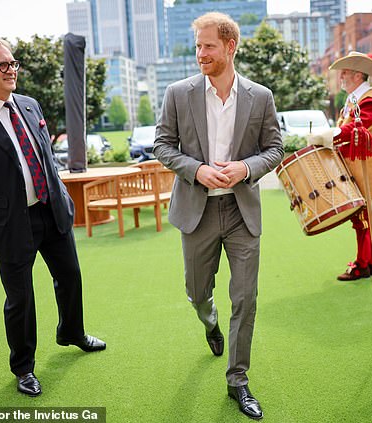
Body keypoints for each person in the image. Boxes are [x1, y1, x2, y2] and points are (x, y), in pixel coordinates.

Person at [0, 36, 106, 397]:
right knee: (21, 299)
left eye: (13, 63)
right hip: (9, 226)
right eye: (2, 65)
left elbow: (45, 159)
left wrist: (62, 198)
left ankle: (72, 332)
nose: (11, 70)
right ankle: (24, 368)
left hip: (52, 212)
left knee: (71, 276)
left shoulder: (30, 106)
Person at [153, 12, 283, 420]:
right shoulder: (178, 93)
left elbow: (275, 148)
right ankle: (209, 321)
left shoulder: (260, 96)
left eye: (208, 46)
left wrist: (245, 169)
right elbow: (162, 145)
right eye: (197, 46)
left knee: (245, 299)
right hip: (197, 211)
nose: (200, 54)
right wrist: (197, 170)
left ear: (230, 47)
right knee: (196, 291)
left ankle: (238, 380)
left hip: (242, 213)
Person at [328, 52, 372, 281]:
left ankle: (362, 265)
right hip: (352, 165)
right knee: (360, 218)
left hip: (362, 165)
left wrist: (328, 134)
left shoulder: (370, 99)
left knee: (362, 219)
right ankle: (368, 263)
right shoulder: (354, 98)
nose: (341, 76)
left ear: (356, 74)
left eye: (344, 72)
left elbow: (354, 129)